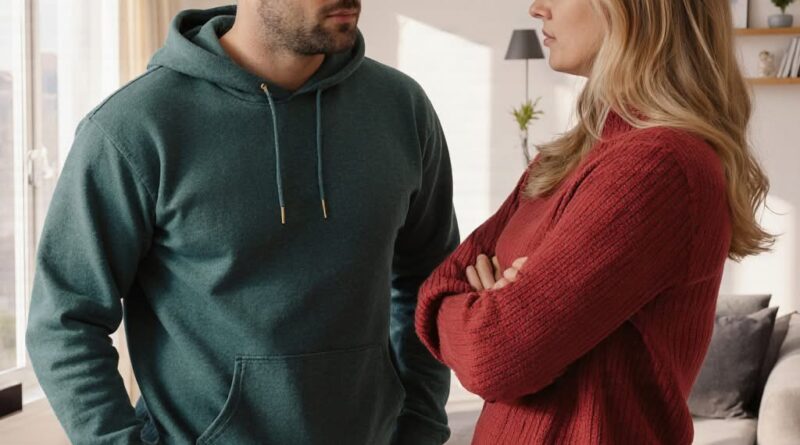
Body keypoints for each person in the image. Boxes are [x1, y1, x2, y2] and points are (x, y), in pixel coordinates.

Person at [26, 1, 458, 444]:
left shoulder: (401, 108)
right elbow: (64, 320)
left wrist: (422, 425)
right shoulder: (135, 126)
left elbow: (432, 281)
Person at [415, 0, 775, 443]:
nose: (537, 8)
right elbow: (439, 288)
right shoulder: (569, 156)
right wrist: (486, 311)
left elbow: (492, 357)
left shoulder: (659, 167)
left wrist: (488, 311)